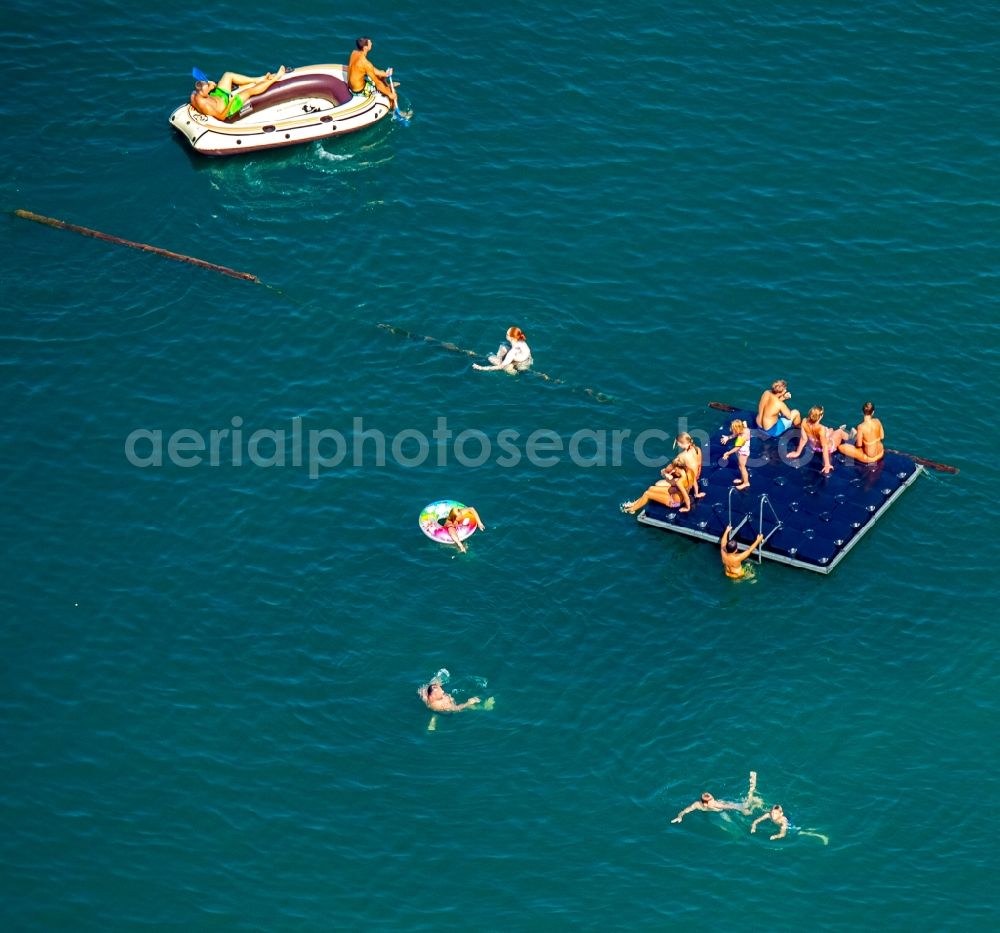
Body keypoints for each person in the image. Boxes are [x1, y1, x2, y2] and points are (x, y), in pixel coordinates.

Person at [190, 67, 286, 120]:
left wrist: (211, 86)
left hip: (218, 96)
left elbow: (206, 91)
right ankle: (276, 78)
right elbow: (222, 117)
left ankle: (258, 79)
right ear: (202, 91)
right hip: (227, 106)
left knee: (228, 75)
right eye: (207, 89)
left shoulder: (194, 94)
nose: (209, 90)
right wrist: (231, 101)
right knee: (249, 91)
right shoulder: (206, 107)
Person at [671, 771, 759, 823]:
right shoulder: (697, 805)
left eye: (713, 799)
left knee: (747, 806)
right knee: (728, 821)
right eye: (711, 801)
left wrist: (742, 809)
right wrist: (680, 816)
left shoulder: (717, 805)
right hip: (717, 811)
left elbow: (731, 807)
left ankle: (752, 787)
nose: (713, 802)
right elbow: (685, 810)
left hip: (724, 807)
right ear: (704, 804)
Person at [788, 406, 851, 474]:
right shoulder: (821, 428)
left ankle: (832, 431)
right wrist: (827, 464)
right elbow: (825, 446)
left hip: (813, 447)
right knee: (839, 432)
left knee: (830, 430)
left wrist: (797, 453)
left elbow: (803, 439)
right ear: (821, 416)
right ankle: (850, 436)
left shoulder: (804, 421)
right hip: (828, 448)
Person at [347, 37, 399, 109]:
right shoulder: (366, 63)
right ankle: (395, 112)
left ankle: (387, 85)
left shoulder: (354, 53)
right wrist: (390, 94)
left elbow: (369, 68)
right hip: (359, 91)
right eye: (370, 42)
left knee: (382, 74)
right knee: (393, 93)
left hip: (351, 86)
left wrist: (385, 74)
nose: (371, 43)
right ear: (365, 47)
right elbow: (377, 84)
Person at [621, 464, 692, 514]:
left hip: (673, 501)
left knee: (647, 494)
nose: (674, 471)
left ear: (679, 468)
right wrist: (697, 494)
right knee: (650, 488)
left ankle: (632, 510)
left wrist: (687, 508)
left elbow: (686, 496)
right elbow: (694, 484)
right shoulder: (689, 472)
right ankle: (633, 504)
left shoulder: (680, 482)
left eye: (675, 469)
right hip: (673, 493)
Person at [720, 419, 752, 490]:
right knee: (741, 466)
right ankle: (742, 479)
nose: (731, 429)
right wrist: (728, 437)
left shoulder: (741, 437)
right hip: (745, 451)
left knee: (742, 468)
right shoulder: (745, 429)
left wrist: (728, 453)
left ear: (737, 429)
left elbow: (736, 448)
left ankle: (746, 483)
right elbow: (743, 425)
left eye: (733, 428)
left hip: (743, 453)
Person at [673, 433, 705, 499]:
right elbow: (699, 464)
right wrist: (698, 474)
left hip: (689, 480)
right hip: (696, 476)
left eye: (678, 443)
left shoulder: (681, 456)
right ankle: (696, 494)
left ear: (680, 444)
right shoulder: (697, 449)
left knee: (659, 483)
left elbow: (675, 466)